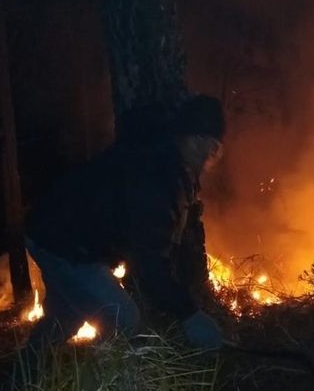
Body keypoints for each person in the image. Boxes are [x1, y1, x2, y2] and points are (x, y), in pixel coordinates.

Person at [21, 95, 225, 368]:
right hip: (64, 243)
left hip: (54, 231)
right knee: (123, 320)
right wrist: (190, 314)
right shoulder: (158, 176)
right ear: (195, 139)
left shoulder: (163, 159)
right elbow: (151, 261)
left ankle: (19, 380)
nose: (214, 156)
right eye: (212, 146)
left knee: (65, 315)